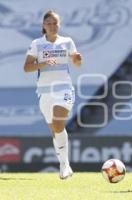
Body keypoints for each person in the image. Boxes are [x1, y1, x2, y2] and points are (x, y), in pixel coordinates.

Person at [23, 10, 82, 179]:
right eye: (48, 23)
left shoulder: (67, 42)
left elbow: (77, 64)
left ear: (59, 25)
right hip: (44, 92)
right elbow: (26, 67)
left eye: (55, 23)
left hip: (64, 89)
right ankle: (65, 164)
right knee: (54, 130)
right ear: (43, 26)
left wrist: (78, 59)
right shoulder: (36, 43)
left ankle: (64, 166)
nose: (52, 26)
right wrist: (42, 63)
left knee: (58, 124)